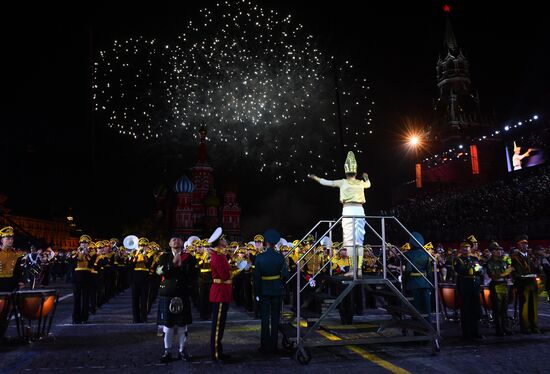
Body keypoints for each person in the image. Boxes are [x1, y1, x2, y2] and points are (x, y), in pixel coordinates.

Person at [308, 151, 371, 276]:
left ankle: (354, 270)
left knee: (350, 241)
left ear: (346, 171)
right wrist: (366, 177)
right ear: (355, 171)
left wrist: (315, 178)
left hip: (348, 209)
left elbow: (327, 182)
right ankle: (358, 270)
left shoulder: (342, 182)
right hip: (359, 210)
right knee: (359, 241)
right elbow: (368, 184)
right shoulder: (360, 183)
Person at [157, 235, 198, 363]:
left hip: (182, 293)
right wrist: (172, 265)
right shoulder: (164, 257)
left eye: (178, 239)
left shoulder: (189, 257)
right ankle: (167, 351)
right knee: (167, 326)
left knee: (182, 325)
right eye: (173, 239)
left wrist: (188, 285)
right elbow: (158, 271)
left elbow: (194, 275)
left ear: (182, 243)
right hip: (167, 293)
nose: (176, 241)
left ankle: (182, 351)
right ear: (169, 243)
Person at [254, 229, 289, 353]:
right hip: (277, 290)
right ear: (275, 243)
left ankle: (265, 346)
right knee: (275, 318)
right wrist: (281, 286)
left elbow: (256, 278)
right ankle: (274, 345)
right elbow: (285, 275)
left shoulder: (259, 257)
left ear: (266, 242)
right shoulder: (280, 257)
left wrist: (257, 293)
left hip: (264, 290)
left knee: (265, 319)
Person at [208, 228, 233, 364]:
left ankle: (219, 351)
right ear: (219, 242)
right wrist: (238, 270)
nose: (225, 240)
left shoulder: (220, 254)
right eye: (223, 239)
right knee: (217, 326)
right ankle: (216, 354)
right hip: (220, 293)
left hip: (222, 292)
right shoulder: (217, 256)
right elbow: (225, 275)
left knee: (220, 325)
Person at [453, 240, 483, 340]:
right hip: (465, 286)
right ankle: (467, 333)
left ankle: (475, 332)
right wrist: (473, 270)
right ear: (460, 249)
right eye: (463, 247)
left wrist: (475, 270)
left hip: (475, 286)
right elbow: (460, 270)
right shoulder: (458, 260)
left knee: (475, 310)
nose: (465, 249)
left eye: (467, 247)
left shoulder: (475, 258)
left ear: (470, 248)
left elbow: (480, 270)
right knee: (466, 311)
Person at [511, 234, 540, 334]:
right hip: (523, 284)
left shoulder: (531, 256)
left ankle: (534, 326)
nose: (525, 246)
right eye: (522, 244)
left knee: (534, 306)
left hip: (532, 283)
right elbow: (517, 271)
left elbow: (536, 269)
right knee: (524, 307)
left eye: (526, 244)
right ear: (518, 245)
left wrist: (537, 266)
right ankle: (525, 327)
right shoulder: (515, 257)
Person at [403, 232, 432, 322]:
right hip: (424, 283)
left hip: (413, 283)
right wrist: (429, 283)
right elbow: (429, 272)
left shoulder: (407, 254)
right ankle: (428, 327)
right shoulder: (426, 255)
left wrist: (405, 282)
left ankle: (418, 330)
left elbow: (408, 270)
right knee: (426, 307)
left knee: (416, 308)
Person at [485, 241, 512, 336]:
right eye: (497, 250)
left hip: (504, 285)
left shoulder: (503, 261)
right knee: (497, 309)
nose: (500, 252)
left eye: (500, 250)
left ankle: (505, 327)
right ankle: (499, 329)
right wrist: (506, 273)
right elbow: (493, 276)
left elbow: (507, 274)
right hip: (496, 285)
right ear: (492, 252)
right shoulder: (490, 262)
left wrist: (508, 274)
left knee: (504, 308)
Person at [72, 235, 92, 324]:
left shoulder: (91, 253)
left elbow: (91, 263)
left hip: (87, 276)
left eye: (85, 243)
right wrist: (77, 253)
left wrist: (86, 253)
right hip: (77, 277)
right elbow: (71, 261)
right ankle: (76, 318)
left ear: (88, 244)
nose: (83, 244)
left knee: (86, 298)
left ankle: (85, 317)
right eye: (82, 243)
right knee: (76, 298)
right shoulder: (75, 252)